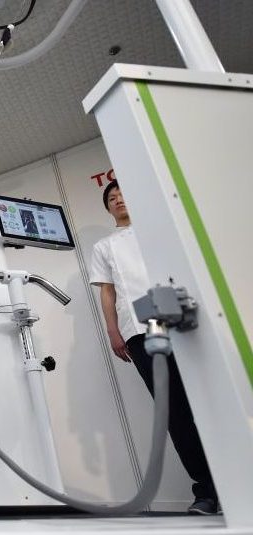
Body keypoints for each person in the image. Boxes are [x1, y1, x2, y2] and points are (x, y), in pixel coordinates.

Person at [90, 180, 219, 515]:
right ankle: (207, 491)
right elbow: (107, 292)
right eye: (111, 198)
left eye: (122, 195)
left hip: (186, 320)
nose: (118, 200)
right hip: (139, 330)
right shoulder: (105, 246)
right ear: (108, 208)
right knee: (175, 413)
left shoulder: (162, 229)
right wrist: (113, 331)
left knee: (214, 401)